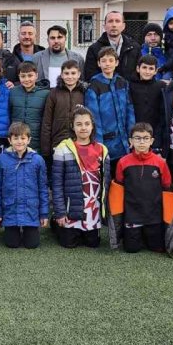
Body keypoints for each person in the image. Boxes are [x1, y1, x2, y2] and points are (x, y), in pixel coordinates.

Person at [52, 107, 109, 249]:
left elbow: (106, 185)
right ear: (72, 126)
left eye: (87, 124)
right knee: (69, 244)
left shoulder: (102, 149)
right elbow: (57, 184)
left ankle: (90, 228)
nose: (83, 128)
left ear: (92, 125)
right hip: (71, 208)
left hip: (92, 209)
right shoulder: (62, 148)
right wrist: (60, 212)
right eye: (79, 124)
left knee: (92, 244)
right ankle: (56, 223)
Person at [113, 122, 172, 253]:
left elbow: (167, 187)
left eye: (145, 138)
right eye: (137, 138)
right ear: (131, 141)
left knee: (156, 248)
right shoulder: (123, 162)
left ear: (151, 141)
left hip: (154, 215)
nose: (141, 142)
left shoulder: (160, 163)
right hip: (132, 214)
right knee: (131, 249)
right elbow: (118, 189)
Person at [0, 122, 49, 249]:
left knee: (32, 244)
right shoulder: (1, 160)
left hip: (31, 211)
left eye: (23, 138)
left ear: (29, 140)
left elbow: (43, 189)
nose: (19, 141)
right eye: (15, 138)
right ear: (9, 140)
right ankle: (13, 231)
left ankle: (29, 230)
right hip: (10, 211)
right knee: (12, 244)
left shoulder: (38, 160)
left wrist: (44, 214)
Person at [85, 47, 135, 165]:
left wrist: (132, 135)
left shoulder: (122, 82)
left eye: (111, 60)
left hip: (124, 144)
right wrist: (98, 144)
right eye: (104, 61)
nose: (107, 64)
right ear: (99, 63)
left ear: (116, 63)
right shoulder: (94, 86)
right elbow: (94, 117)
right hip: (107, 143)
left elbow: (130, 110)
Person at [40, 59, 86, 160]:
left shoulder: (84, 93)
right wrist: (46, 150)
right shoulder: (53, 93)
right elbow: (47, 122)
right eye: (66, 73)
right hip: (58, 142)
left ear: (79, 74)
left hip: (79, 142)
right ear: (61, 75)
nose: (70, 77)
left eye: (73, 73)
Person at [9, 61, 51, 155]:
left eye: (30, 75)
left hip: (36, 140)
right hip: (16, 139)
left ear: (36, 75)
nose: (26, 79)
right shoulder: (13, 92)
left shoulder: (45, 94)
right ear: (18, 76)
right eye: (23, 76)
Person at [83, 10, 138, 81]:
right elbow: (90, 75)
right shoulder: (94, 49)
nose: (114, 25)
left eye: (117, 21)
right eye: (110, 21)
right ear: (104, 26)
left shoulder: (134, 47)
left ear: (123, 26)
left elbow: (138, 73)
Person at [128, 55, 164, 141]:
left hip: (154, 132)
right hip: (134, 131)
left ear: (156, 71)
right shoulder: (129, 86)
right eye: (144, 67)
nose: (147, 71)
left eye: (151, 69)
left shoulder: (161, 87)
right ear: (138, 68)